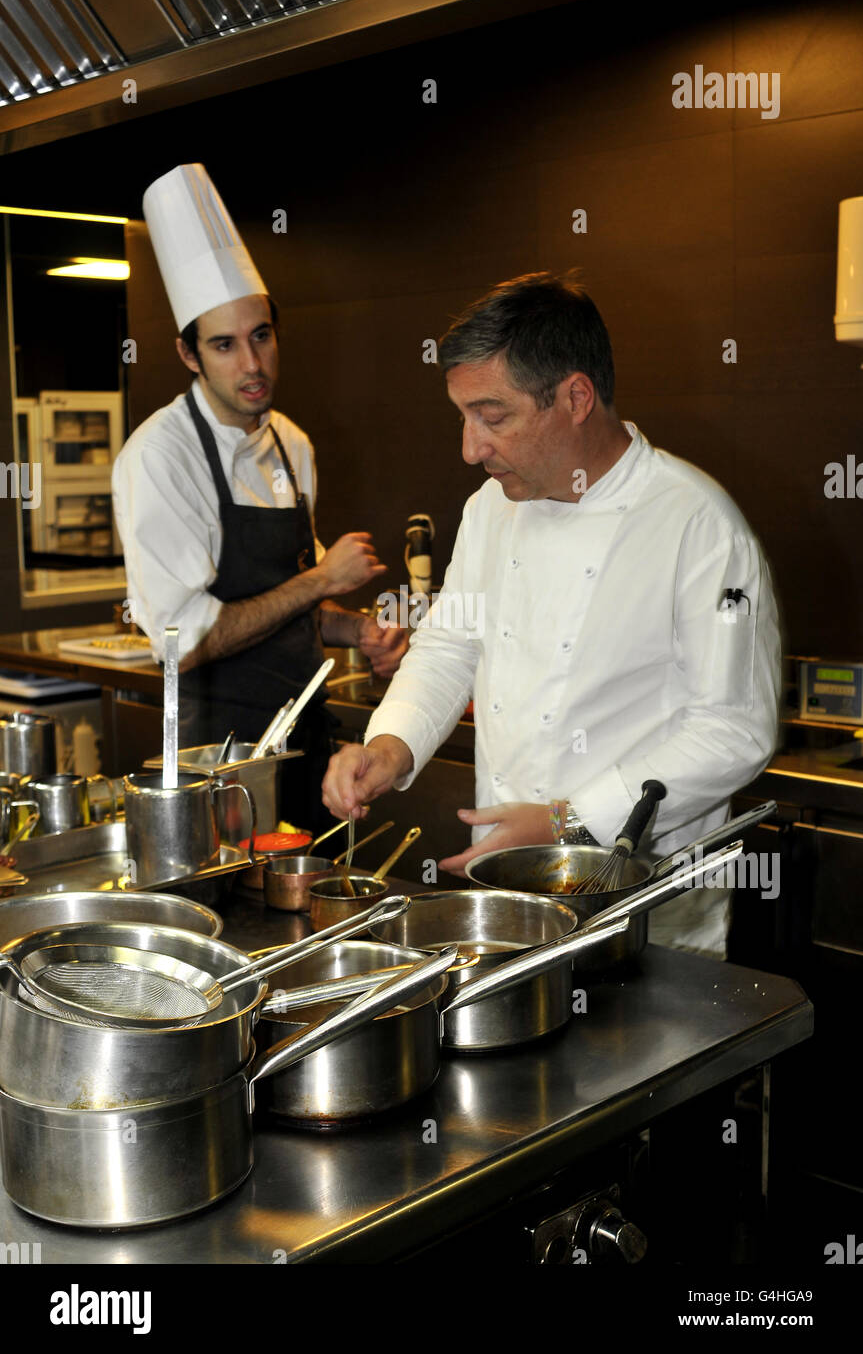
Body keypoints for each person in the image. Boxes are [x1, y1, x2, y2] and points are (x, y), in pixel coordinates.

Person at [322, 273, 782, 956]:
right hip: (507, 893)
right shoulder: (490, 509)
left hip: (642, 905)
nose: (469, 448)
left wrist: (571, 821)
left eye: (492, 416)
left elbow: (733, 729)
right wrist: (394, 744)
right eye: (463, 416)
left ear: (574, 397)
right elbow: (450, 645)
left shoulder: (696, 524)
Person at [113, 164, 406, 831]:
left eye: (261, 336)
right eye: (223, 345)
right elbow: (182, 645)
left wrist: (356, 629)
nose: (251, 365)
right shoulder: (161, 459)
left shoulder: (290, 445)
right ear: (188, 355)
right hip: (218, 767)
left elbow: (283, 601)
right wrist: (320, 581)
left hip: (303, 744)